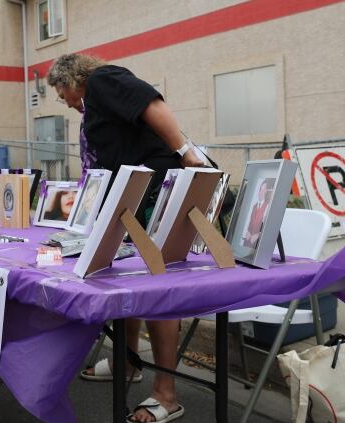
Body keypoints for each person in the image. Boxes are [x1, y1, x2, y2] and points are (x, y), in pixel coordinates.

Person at [48, 53, 204, 423]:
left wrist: (187, 155)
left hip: (157, 195)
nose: (67, 103)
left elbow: (150, 103)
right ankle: (128, 362)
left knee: (158, 288)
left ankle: (166, 394)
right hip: (134, 199)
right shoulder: (98, 100)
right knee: (127, 281)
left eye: (62, 94)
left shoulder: (103, 80)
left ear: (72, 80)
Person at [242, 178, 275, 249]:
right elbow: (249, 223)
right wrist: (247, 232)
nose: (260, 192)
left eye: (263, 190)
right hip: (247, 242)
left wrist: (258, 235)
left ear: (267, 192)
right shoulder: (254, 206)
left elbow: (269, 228)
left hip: (259, 245)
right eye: (260, 189)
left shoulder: (268, 207)